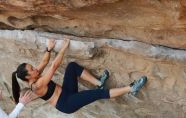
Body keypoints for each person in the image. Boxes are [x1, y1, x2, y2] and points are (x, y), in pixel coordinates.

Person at [12, 39, 147, 114]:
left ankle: (99, 82)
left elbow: (44, 62)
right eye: (32, 69)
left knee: (72, 67)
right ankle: (131, 88)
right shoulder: (36, 85)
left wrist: (49, 48)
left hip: (66, 92)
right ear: (27, 77)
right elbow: (53, 66)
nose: (35, 68)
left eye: (32, 67)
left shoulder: (34, 76)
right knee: (98, 94)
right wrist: (64, 47)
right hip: (66, 104)